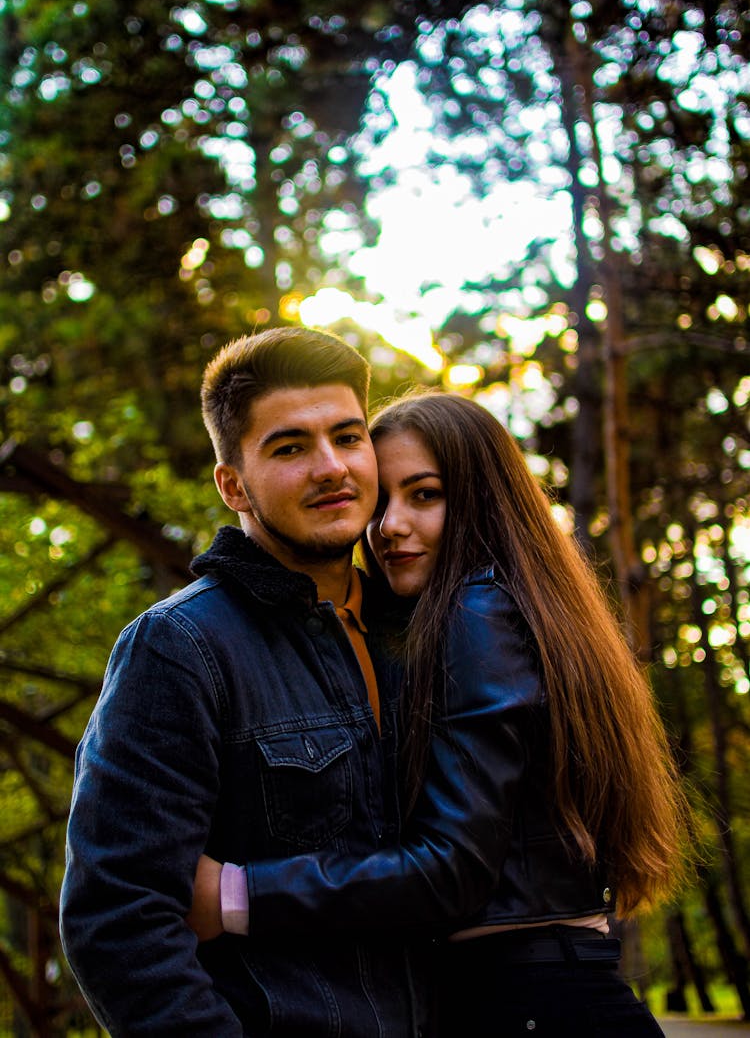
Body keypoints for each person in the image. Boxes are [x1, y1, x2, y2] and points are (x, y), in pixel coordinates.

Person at [189, 390, 689, 1037]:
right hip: (551, 990)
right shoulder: (517, 609)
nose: (389, 525)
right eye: (381, 502)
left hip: (531, 1002)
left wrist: (233, 895)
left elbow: (451, 870)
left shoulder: (475, 613)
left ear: (483, 500)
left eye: (424, 495)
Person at [59, 328, 431, 1037]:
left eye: (348, 437)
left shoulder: (418, 632)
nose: (332, 467)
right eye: (289, 448)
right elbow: (119, 920)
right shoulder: (178, 647)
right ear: (233, 484)